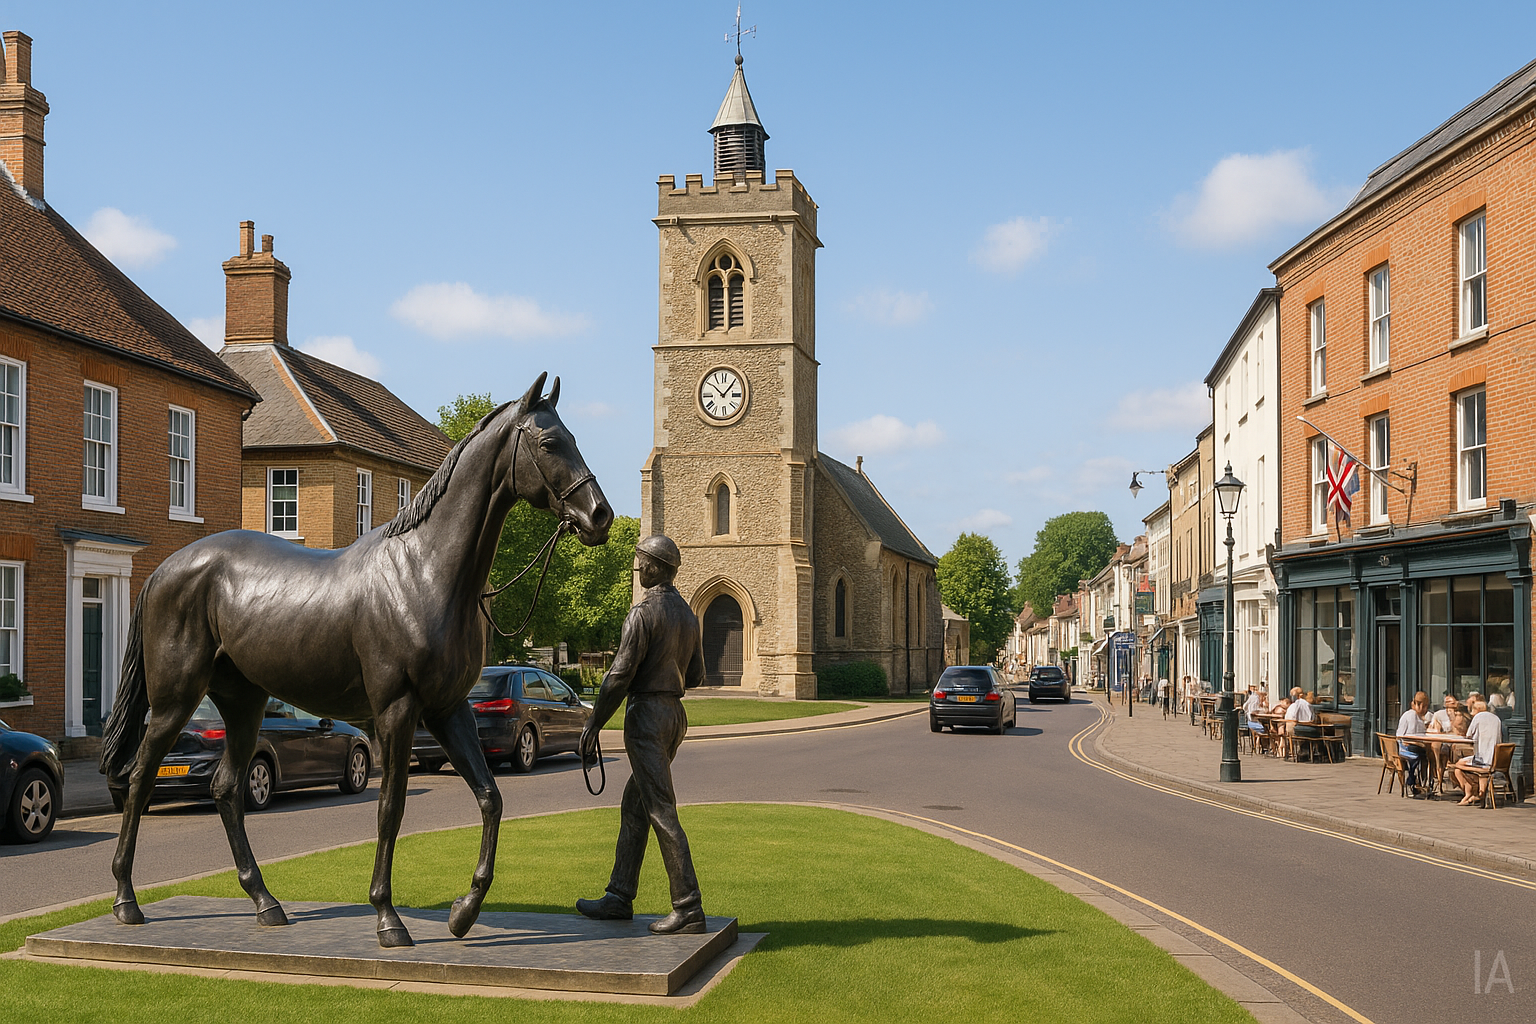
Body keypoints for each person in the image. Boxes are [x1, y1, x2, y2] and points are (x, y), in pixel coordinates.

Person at [576, 534, 708, 934]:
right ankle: (619, 895)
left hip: (647, 716)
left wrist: (594, 723)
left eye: (642, 561)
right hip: (674, 716)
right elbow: (698, 676)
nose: (638, 567)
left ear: (656, 567)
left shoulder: (642, 613)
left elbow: (618, 676)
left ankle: (688, 906)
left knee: (660, 810)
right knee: (636, 806)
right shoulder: (688, 615)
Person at [1453, 700, 1505, 806]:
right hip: (1494, 759)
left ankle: (1470, 790)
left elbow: (1469, 735)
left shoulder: (1478, 717)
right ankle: (1477, 794)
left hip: (1482, 759)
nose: (1472, 714)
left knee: (1458, 765)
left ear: (1478, 710)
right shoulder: (1496, 719)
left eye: (1473, 710)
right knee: (1465, 770)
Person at [1395, 692, 1430, 795]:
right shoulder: (1411, 715)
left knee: (1426, 752)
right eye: (1419, 705)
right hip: (1404, 747)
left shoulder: (1423, 717)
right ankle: (1416, 780)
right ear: (1413, 704)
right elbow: (1406, 736)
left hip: (1414, 745)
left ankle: (1418, 780)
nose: (1422, 709)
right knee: (1424, 753)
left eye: (1425, 706)